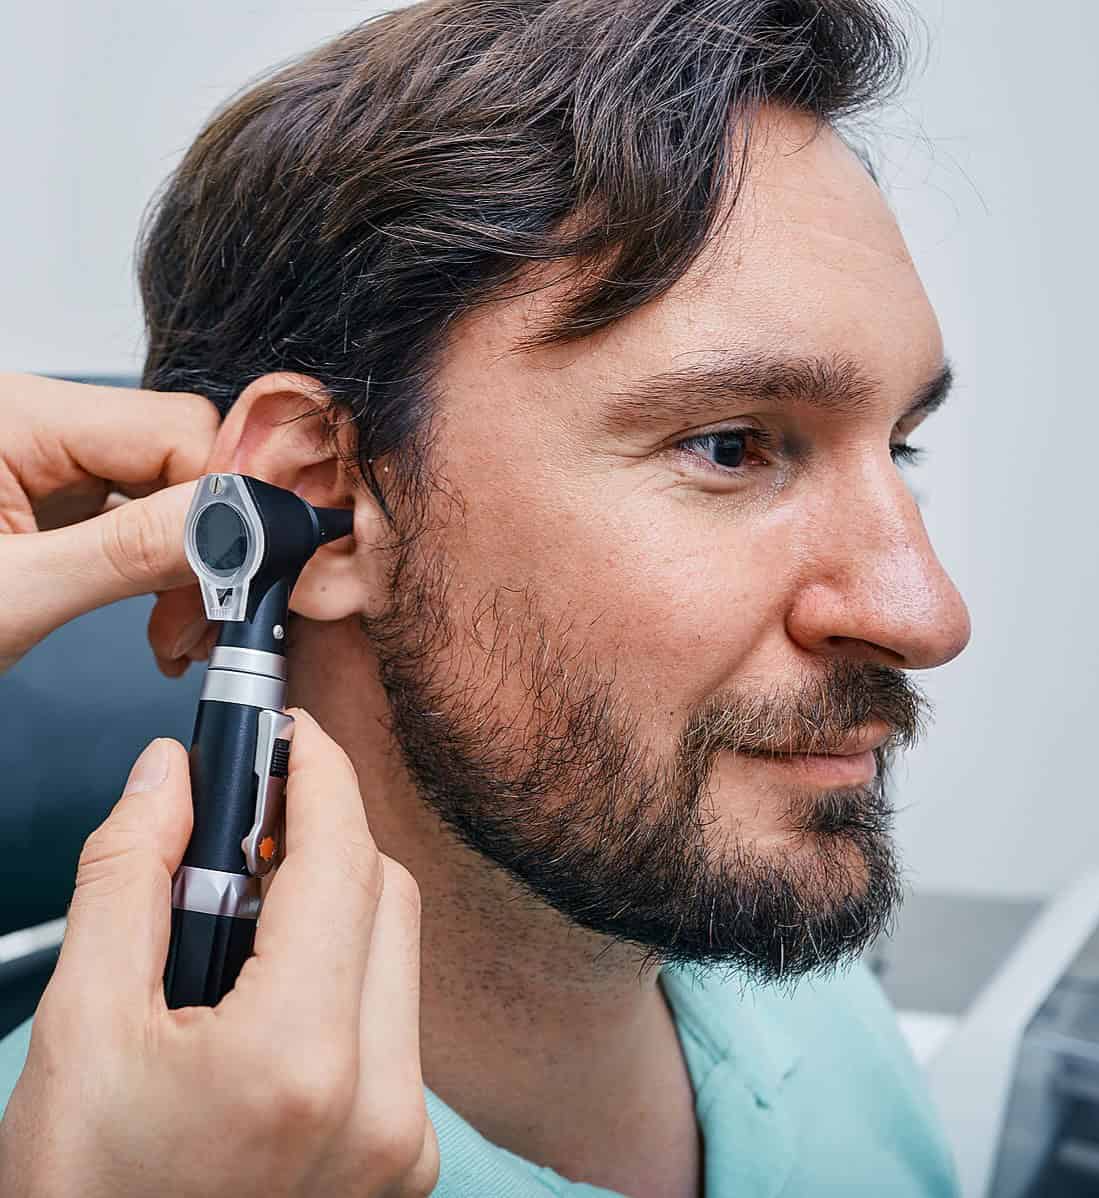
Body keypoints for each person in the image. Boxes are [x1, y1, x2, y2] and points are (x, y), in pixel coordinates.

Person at [0, 1, 972, 1195]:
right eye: (729, 444)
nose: (925, 613)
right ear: (324, 499)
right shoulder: (78, 1163)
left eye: (902, 445)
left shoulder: (792, 974)